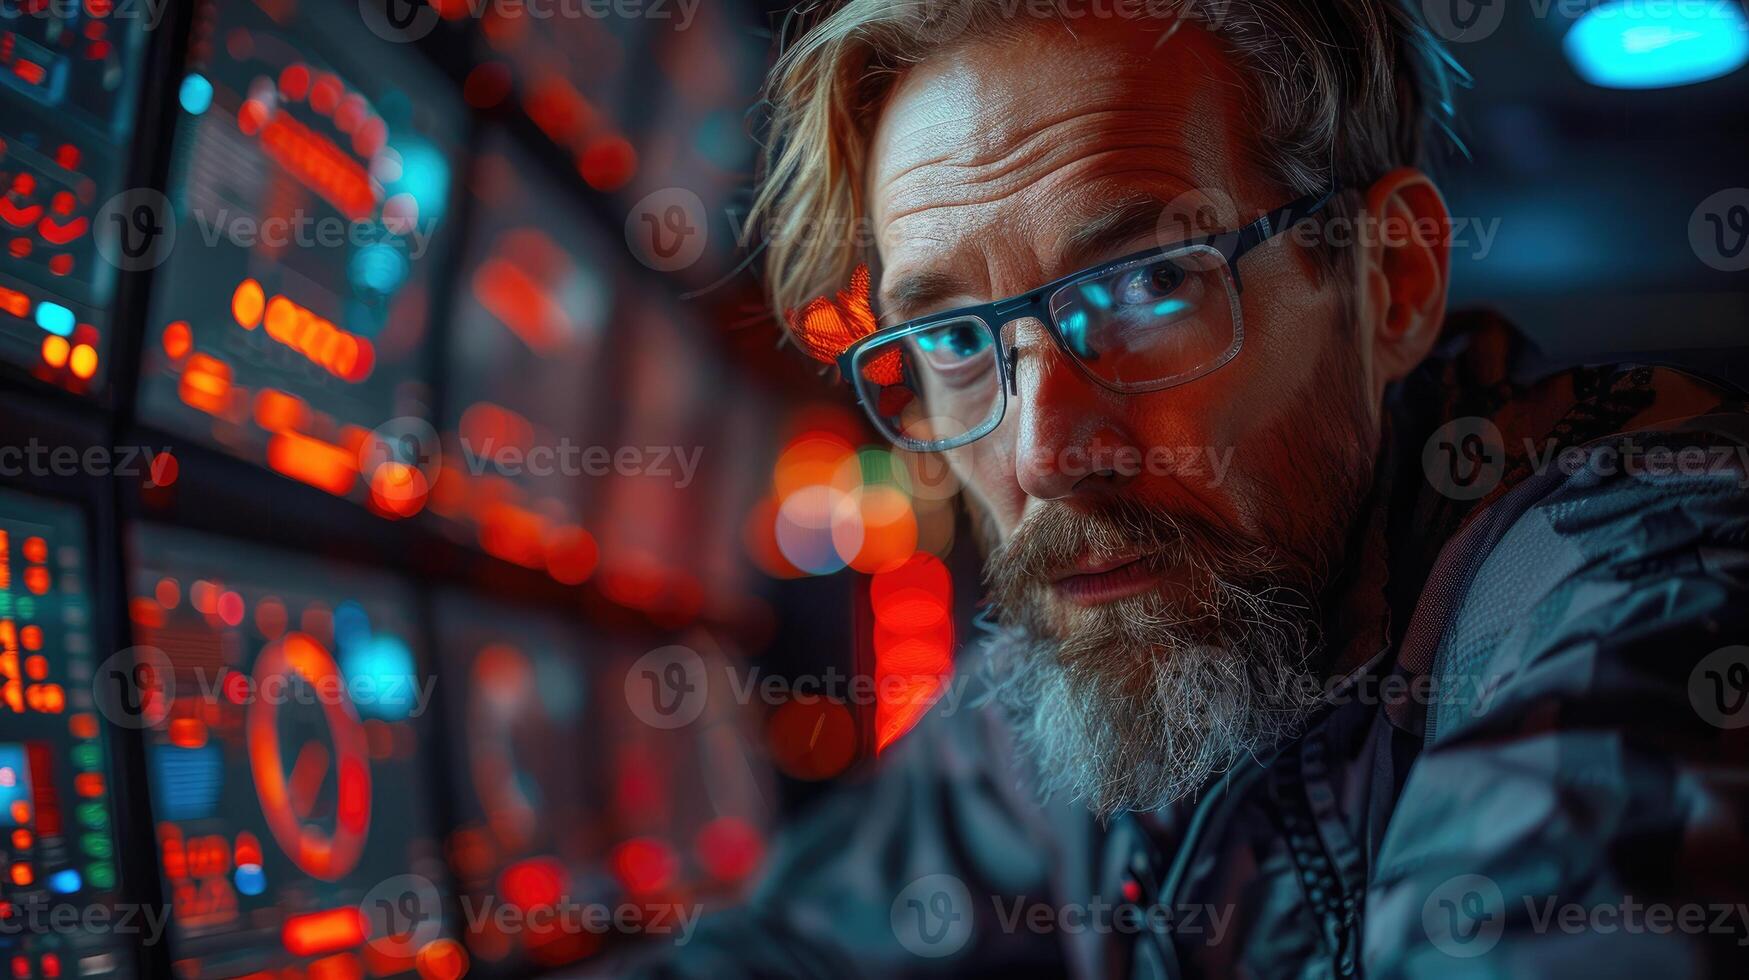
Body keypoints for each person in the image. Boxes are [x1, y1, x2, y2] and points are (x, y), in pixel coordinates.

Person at [619, 1, 1749, 975]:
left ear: (1390, 281)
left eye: (1151, 283)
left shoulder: (1634, 563)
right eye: (954, 338)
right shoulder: (1085, 664)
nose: (1044, 454)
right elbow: (786, 941)